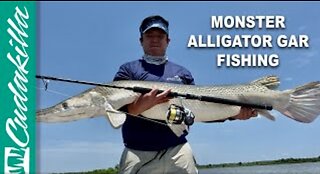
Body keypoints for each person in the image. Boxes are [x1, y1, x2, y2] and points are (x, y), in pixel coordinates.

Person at [113, 15, 258, 174]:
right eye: (149, 36)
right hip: (137, 152)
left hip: (178, 150)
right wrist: (140, 105)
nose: (155, 39)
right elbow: (115, 108)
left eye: (160, 36)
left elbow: (198, 110)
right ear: (141, 41)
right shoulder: (128, 70)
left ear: (168, 41)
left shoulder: (183, 73)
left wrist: (234, 114)